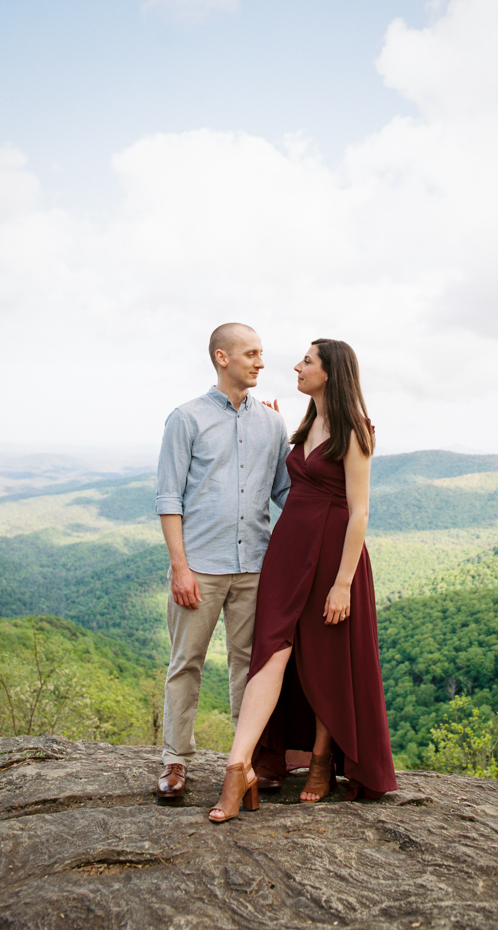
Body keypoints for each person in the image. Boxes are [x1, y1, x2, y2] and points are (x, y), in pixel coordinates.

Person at [209, 338, 397, 823]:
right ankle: (240, 766)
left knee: (325, 658)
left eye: (307, 361)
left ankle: (320, 760)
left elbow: (360, 512)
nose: (296, 365)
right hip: (288, 553)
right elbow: (293, 485)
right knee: (269, 652)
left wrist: (342, 583)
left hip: (333, 556)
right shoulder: (307, 422)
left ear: (330, 372)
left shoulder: (355, 431)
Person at [155, 323, 290, 799]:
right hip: (201, 568)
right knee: (185, 662)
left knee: (248, 667)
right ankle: (175, 761)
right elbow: (169, 498)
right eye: (251, 353)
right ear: (222, 357)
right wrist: (180, 567)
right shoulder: (186, 419)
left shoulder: (272, 424)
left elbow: (285, 492)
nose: (260, 362)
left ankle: (243, 760)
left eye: (261, 354)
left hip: (255, 567)